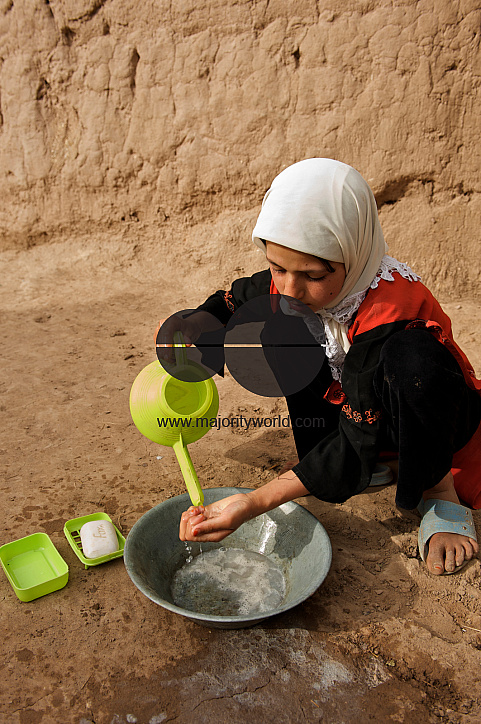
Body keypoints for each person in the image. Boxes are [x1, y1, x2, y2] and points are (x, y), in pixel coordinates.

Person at [157, 158, 480, 576]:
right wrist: (196, 325)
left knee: (412, 361)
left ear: (353, 253)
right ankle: (350, 461)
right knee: (280, 325)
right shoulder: (293, 283)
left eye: (312, 275)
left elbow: (362, 427)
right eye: (278, 267)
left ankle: (438, 490)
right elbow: (235, 298)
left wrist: (253, 502)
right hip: (359, 412)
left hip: (429, 418)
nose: (290, 288)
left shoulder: (390, 308)